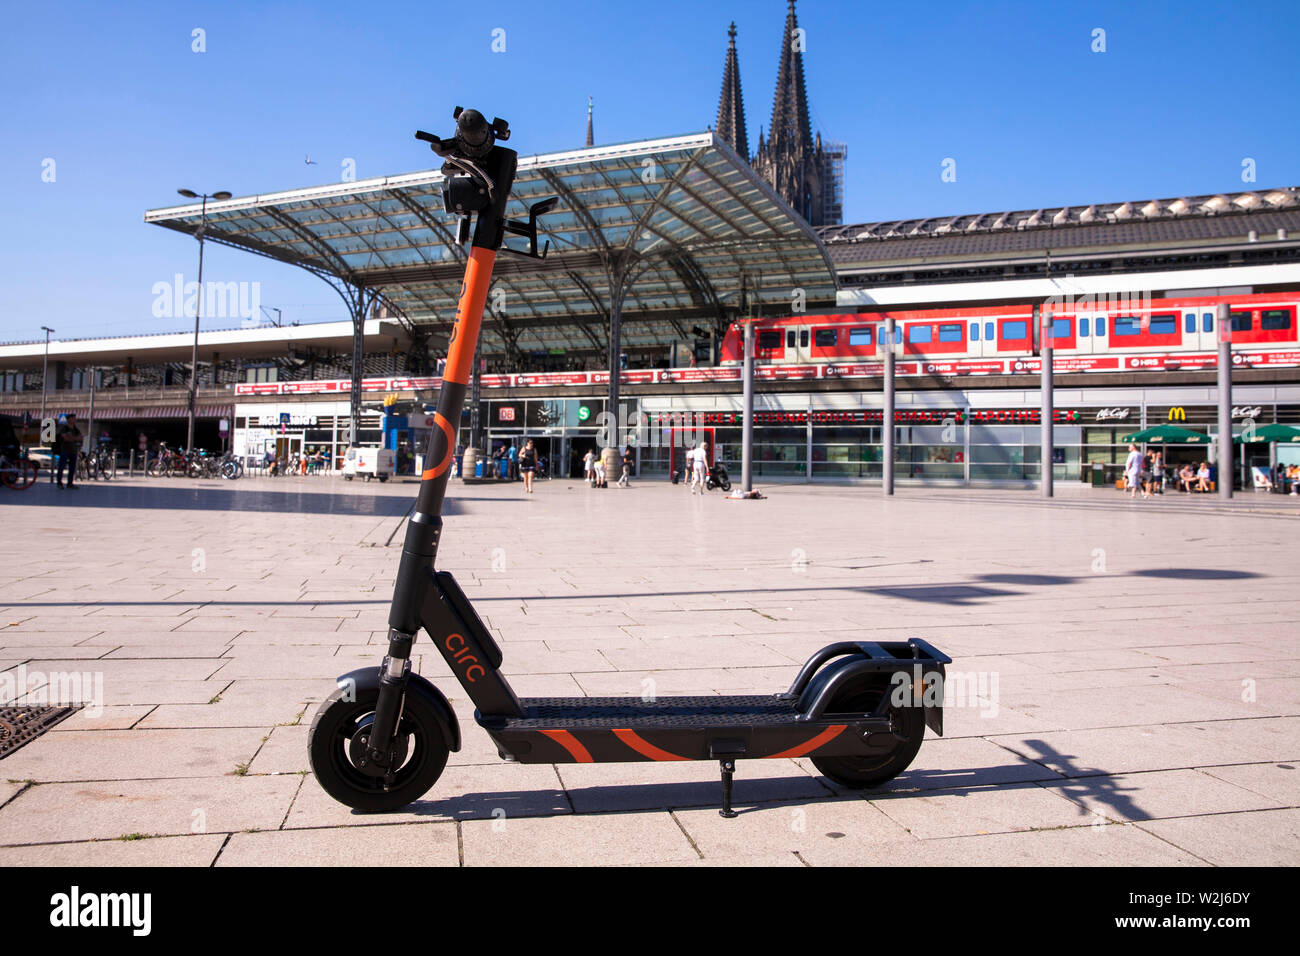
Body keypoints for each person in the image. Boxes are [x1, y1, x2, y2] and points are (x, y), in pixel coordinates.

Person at [55, 414, 83, 489]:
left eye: (75, 418)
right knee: (62, 467)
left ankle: (70, 483)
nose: (74, 420)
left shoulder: (76, 429)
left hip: (74, 450)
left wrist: (71, 437)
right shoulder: (64, 428)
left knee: (72, 468)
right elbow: (66, 438)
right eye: (73, 418)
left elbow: (80, 438)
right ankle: (59, 483)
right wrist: (75, 438)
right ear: (69, 419)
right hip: (65, 450)